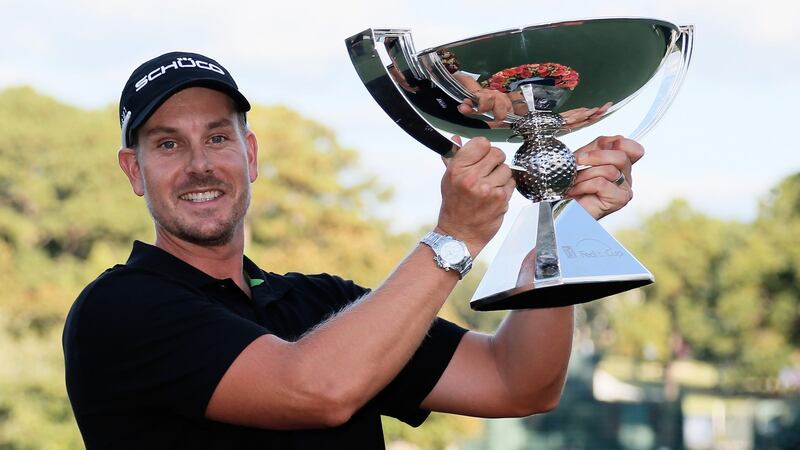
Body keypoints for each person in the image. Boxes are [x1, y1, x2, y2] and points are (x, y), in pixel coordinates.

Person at [63, 51, 642, 449]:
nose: (200, 165)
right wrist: (455, 237)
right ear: (133, 170)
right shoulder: (119, 309)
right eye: (168, 145)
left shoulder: (320, 305)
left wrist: (560, 226)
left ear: (250, 155)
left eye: (218, 137)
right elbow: (314, 390)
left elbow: (518, 382)